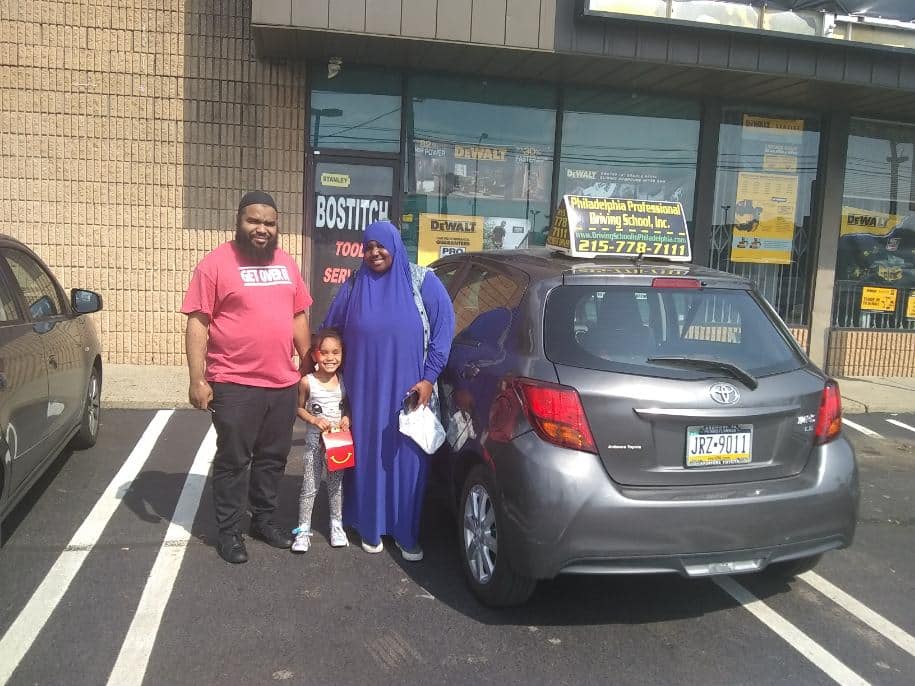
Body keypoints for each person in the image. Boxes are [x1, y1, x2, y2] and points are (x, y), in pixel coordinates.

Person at [182, 191, 312, 564]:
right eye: (254, 221)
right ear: (238, 221)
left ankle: (264, 520)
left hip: (281, 382)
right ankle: (229, 531)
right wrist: (197, 378)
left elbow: (298, 315)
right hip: (234, 381)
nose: (261, 229)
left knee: (273, 457)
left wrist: (306, 360)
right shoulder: (215, 264)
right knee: (234, 460)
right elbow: (198, 322)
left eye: (269, 223)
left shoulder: (286, 263)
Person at [323, 220, 454, 561]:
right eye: (368, 247)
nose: (374, 252)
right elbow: (331, 329)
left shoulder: (423, 282)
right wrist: (329, 373)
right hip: (364, 393)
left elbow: (443, 333)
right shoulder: (354, 284)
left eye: (381, 245)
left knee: (408, 460)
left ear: (395, 245)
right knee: (367, 457)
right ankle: (370, 527)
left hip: (409, 394)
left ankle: (406, 533)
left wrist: (429, 378)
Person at [292, 328, 350, 552]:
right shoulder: (307, 382)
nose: (330, 358)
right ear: (315, 355)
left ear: (342, 354)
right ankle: (303, 529)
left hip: (337, 445)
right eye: (324, 352)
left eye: (335, 352)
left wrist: (347, 419)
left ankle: (337, 525)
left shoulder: (343, 381)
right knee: (310, 486)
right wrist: (314, 420)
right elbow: (298, 408)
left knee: (336, 486)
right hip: (314, 445)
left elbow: (347, 408)